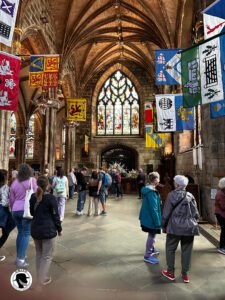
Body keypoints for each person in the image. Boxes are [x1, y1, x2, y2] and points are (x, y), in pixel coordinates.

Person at [162, 175, 199, 283]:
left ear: (177, 184)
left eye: (174, 182)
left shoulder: (171, 195)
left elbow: (166, 213)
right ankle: (185, 274)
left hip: (175, 227)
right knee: (187, 251)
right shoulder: (190, 195)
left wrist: (163, 225)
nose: (174, 183)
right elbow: (196, 213)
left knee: (170, 249)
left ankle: (170, 272)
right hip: (189, 227)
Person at [30, 176, 62, 286]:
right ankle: (41, 279)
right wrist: (59, 229)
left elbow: (32, 213)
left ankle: (39, 276)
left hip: (35, 229)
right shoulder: (51, 198)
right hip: (48, 230)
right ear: (47, 185)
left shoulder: (33, 197)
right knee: (47, 255)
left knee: (39, 253)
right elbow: (55, 215)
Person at [10, 163, 38, 268]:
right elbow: (36, 195)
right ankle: (21, 259)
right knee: (26, 234)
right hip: (26, 210)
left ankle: (20, 256)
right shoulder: (32, 181)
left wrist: (13, 209)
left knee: (20, 233)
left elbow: (11, 199)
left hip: (15, 210)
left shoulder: (14, 183)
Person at [139, 172, 161, 264]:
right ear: (155, 180)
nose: (159, 180)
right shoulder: (151, 192)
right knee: (152, 235)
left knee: (152, 234)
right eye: (158, 178)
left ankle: (152, 248)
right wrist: (157, 222)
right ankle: (147, 255)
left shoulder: (147, 189)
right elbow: (153, 209)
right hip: (151, 218)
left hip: (146, 216)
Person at [0, 169, 15, 262]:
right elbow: (6, 202)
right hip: (2, 211)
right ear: (5, 177)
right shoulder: (5, 187)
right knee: (7, 230)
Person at [215, 177, 225, 255]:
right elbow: (223, 206)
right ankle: (222, 248)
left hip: (221, 214)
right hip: (221, 214)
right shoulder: (221, 194)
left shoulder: (222, 192)